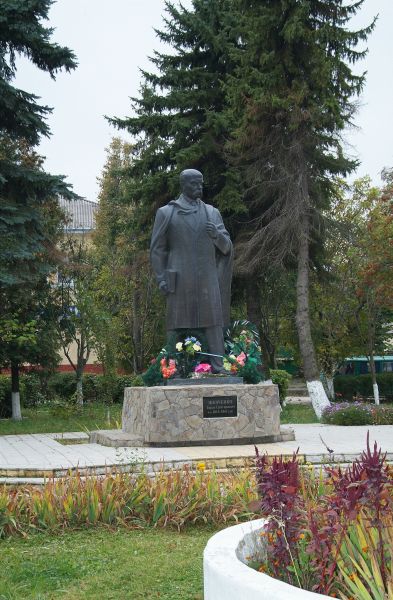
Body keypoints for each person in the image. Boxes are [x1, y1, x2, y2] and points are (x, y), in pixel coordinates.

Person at [150, 169, 233, 373]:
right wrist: (161, 278)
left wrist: (217, 236)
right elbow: (157, 249)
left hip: (207, 278)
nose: (199, 187)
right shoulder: (166, 213)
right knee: (176, 324)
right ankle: (172, 368)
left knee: (213, 322)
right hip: (178, 278)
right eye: (195, 184)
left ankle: (218, 365)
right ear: (184, 185)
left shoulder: (212, 213)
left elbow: (227, 247)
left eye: (201, 183)